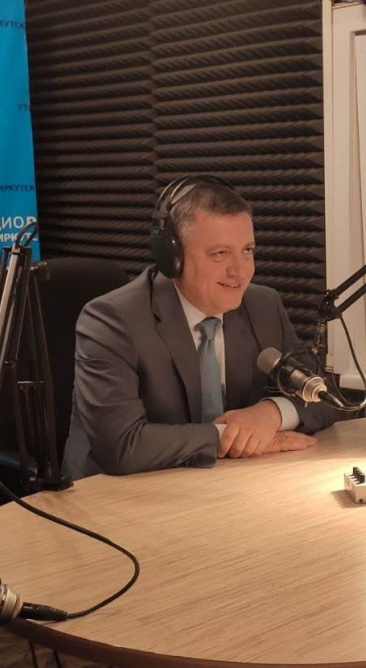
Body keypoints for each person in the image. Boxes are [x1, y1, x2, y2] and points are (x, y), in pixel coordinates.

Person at [62, 177, 338, 480]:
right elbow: (122, 446)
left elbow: (328, 397)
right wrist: (230, 436)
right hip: (114, 494)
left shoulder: (263, 306)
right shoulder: (112, 320)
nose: (239, 271)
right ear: (173, 257)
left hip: (220, 486)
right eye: (220, 254)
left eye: (247, 250)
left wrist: (271, 413)